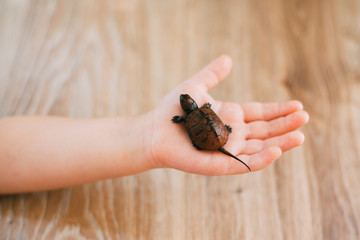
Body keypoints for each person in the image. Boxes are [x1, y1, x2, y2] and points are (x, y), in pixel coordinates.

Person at [0, 56, 309, 194]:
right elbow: (206, 120)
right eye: (186, 104)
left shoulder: (188, 115)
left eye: (184, 105)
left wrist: (147, 134)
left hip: (210, 136)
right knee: (214, 136)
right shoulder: (199, 112)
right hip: (217, 136)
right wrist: (150, 137)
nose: (185, 102)